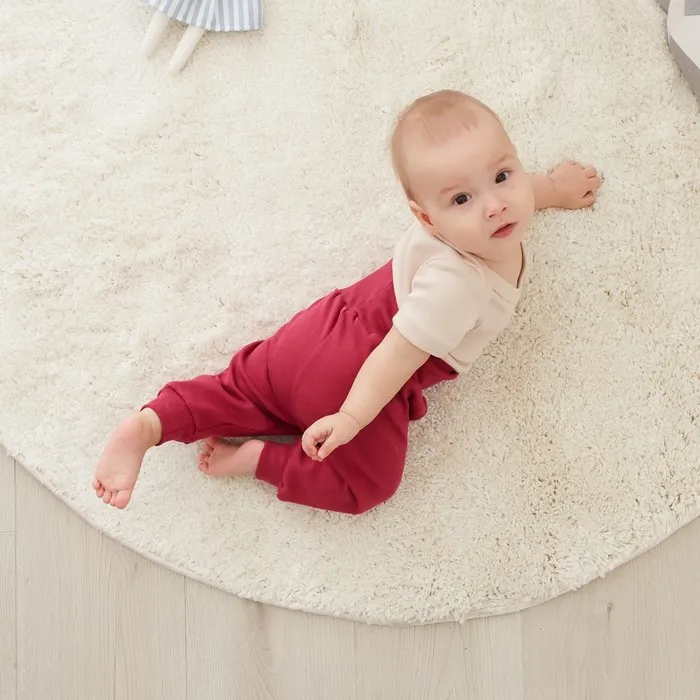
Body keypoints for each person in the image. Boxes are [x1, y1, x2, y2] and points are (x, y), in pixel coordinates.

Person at [93, 89, 602, 514]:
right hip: (357, 376)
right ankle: (259, 460)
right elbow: (396, 356)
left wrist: (554, 188)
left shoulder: (482, 212)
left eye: (503, 175)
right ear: (427, 219)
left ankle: (152, 422)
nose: (495, 206)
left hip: (322, 327)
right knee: (366, 486)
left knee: (239, 389)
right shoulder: (459, 287)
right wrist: (353, 418)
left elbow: (518, 195)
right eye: (462, 200)